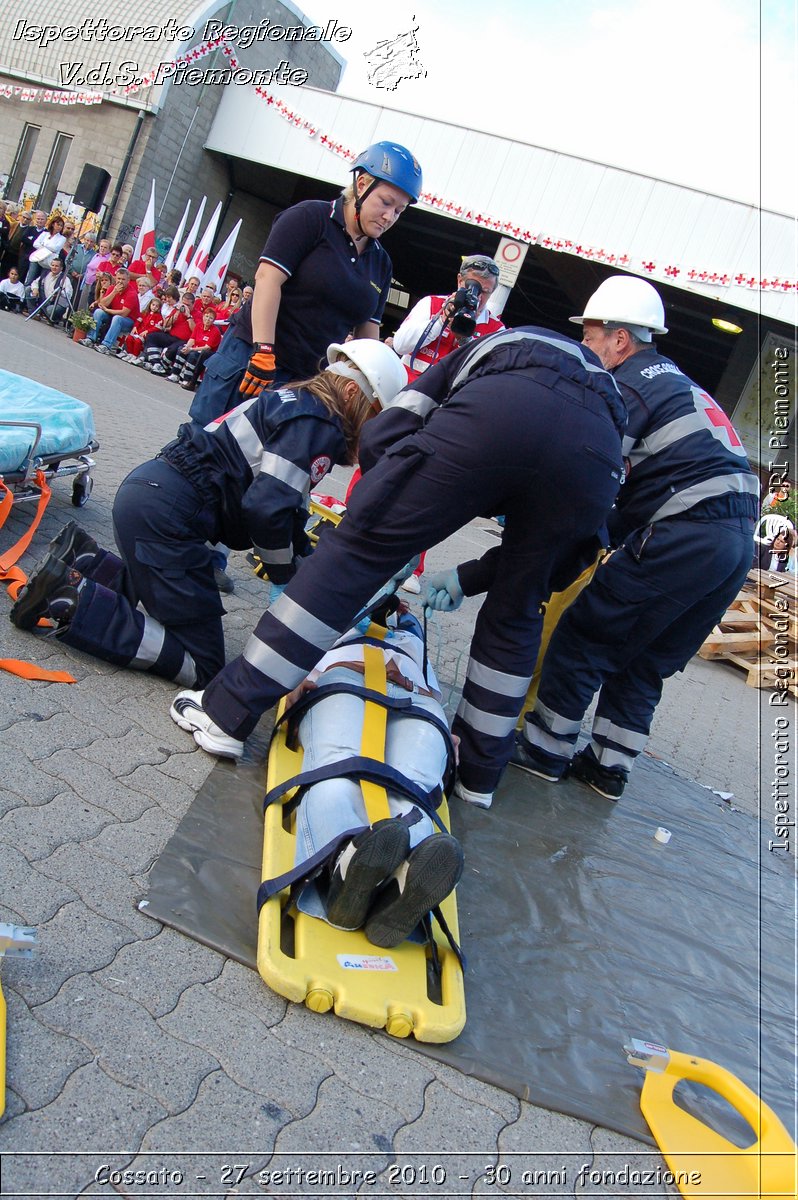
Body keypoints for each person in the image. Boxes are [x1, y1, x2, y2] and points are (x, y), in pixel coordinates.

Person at [167, 326, 627, 809]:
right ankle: (477, 779)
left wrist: (384, 519)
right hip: (592, 463)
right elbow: (580, 537)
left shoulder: (507, 344)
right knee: (517, 614)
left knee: (356, 556)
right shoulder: (614, 399)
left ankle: (225, 714)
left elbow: (395, 425)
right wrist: (509, 570)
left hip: (498, 414)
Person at [10, 340, 408, 690]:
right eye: (375, 415)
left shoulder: (295, 403)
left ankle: (86, 564)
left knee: (165, 583)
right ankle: (74, 600)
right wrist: (286, 579)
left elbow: (282, 507)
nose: (372, 430)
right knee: (203, 666)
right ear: (354, 392)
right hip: (169, 521)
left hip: (151, 499)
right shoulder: (320, 424)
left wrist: (303, 559)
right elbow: (267, 507)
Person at [509, 276, 758, 800]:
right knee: (647, 659)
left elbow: (593, 473)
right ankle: (607, 769)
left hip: (684, 530)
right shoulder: (680, 384)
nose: (588, 349)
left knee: (585, 636)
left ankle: (544, 750)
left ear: (620, 339)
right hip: (734, 545)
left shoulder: (629, 385)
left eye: (593, 336)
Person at [261, 604, 463, 948]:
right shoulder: (331, 618)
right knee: (339, 765)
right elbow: (285, 653)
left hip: (415, 697)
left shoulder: (414, 642)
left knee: (412, 785)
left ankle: (398, 884)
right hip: (342, 676)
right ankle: (345, 869)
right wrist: (292, 684)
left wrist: (447, 739)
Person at [189, 140, 422, 428]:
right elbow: (267, 280)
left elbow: (367, 336)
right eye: (385, 202)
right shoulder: (310, 218)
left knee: (263, 467)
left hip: (305, 382)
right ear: (361, 185)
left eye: (399, 211)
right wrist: (263, 350)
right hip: (253, 359)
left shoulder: (381, 263)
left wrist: (370, 390)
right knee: (204, 449)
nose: (389, 216)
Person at [389, 253, 506, 593]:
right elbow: (401, 344)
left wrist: (469, 337)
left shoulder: (496, 329)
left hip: (448, 413)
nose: (479, 296)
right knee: (381, 463)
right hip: (410, 402)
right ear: (459, 281)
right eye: (474, 287)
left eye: (486, 291)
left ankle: (412, 565)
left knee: (427, 486)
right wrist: (444, 318)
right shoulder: (432, 304)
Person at [80, 266, 140, 352]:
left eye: (123, 279)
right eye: (118, 278)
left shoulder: (132, 293)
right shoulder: (112, 288)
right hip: (113, 314)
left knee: (117, 318)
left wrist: (107, 310)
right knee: (98, 312)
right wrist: (114, 292)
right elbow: (102, 304)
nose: (120, 281)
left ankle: (106, 345)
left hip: (128, 320)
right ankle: (90, 338)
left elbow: (124, 313)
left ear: (128, 280)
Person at [25, 257, 73, 324]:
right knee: (28, 289)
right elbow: (35, 282)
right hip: (43, 300)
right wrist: (35, 289)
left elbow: (68, 294)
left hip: (55, 303)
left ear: (61, 268)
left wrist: (59, 293)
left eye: (56, 266)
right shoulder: (46, 274)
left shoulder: (65, 279)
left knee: (50, 310)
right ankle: (34, 313)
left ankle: (53, 319)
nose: (54, 267)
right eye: (53, 265)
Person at [24, 215, 66, 286]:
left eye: (61, 226)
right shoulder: (44, 234)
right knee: (30, 279)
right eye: (58, 224)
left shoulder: (62, 238)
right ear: (53, 224)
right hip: (37, 258)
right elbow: (35, 244)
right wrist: (47, 248)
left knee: (42, 282)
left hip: (48, 262)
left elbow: (56, 248)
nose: (59, 227)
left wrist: (44, 245)